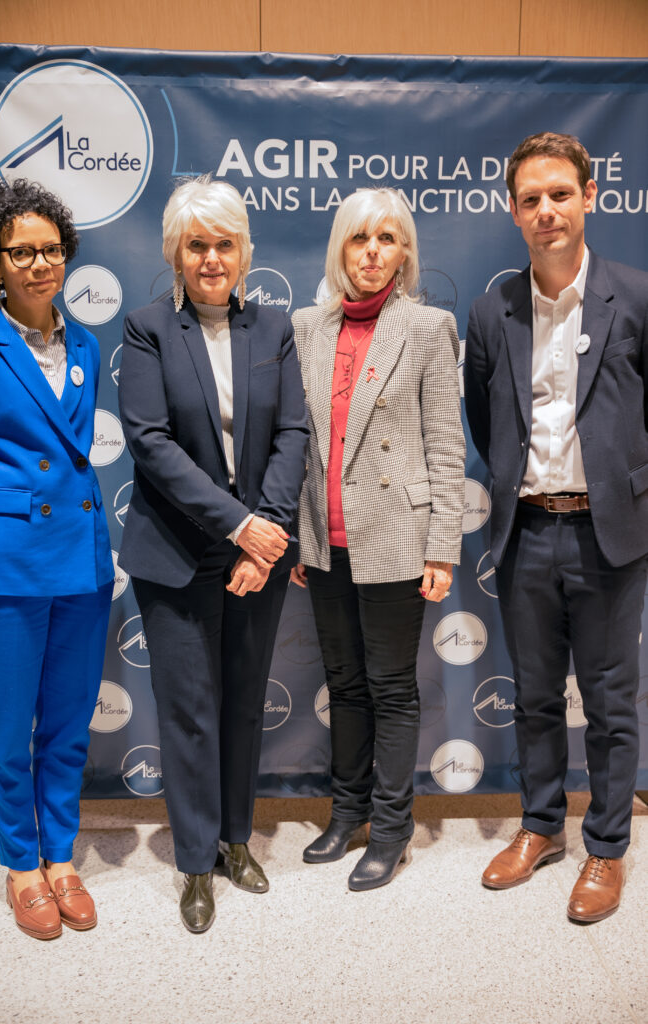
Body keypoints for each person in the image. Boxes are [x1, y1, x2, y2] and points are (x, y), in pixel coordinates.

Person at [465, 131, 648, 923]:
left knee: (609, 703)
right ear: (512, 213)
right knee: (535, 697)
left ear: (589, 198)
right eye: (530, 199)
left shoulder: (635, 297)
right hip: (525, 532)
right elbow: (482, 416)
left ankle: (605, 849)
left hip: (607, 534)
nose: (546, 211)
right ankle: (539, 827)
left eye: (560, 194)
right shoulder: (491, 307)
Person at [118, 175, 308, 933]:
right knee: (190, 712)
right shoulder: (144, 329)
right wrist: (241, 526)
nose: (210, 258)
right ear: (174, 252)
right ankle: (195, 863)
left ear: (243, 252)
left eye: (223, 243)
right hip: (174, 554)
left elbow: (294, 433)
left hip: (255, 554)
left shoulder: (274, 329)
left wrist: (265, 534)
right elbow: (150, 442)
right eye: (196, 244)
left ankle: (235, 839)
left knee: (240, 700)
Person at [291, 188, 465, 890]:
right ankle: (346, 811)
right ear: (339, 246)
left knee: (391, 687)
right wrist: (301, 535)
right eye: (360, 238)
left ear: (404, 252)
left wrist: (441, 547)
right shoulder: (305, 325)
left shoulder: (426, 327)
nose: (372, 252)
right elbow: (300, 443)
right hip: (325, 537)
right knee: (344, 684)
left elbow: (446, 447)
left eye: (387, 239)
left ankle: (390, 829)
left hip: (398, 532)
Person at [0, 178, 113, 939]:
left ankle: (61, 856)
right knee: (8, 723)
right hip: (3, 562)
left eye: (50, 250)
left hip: (80, 561)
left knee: (66, 724)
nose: (38, 263)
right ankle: (22, 867)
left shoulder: (85, 341)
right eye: (20, 251)